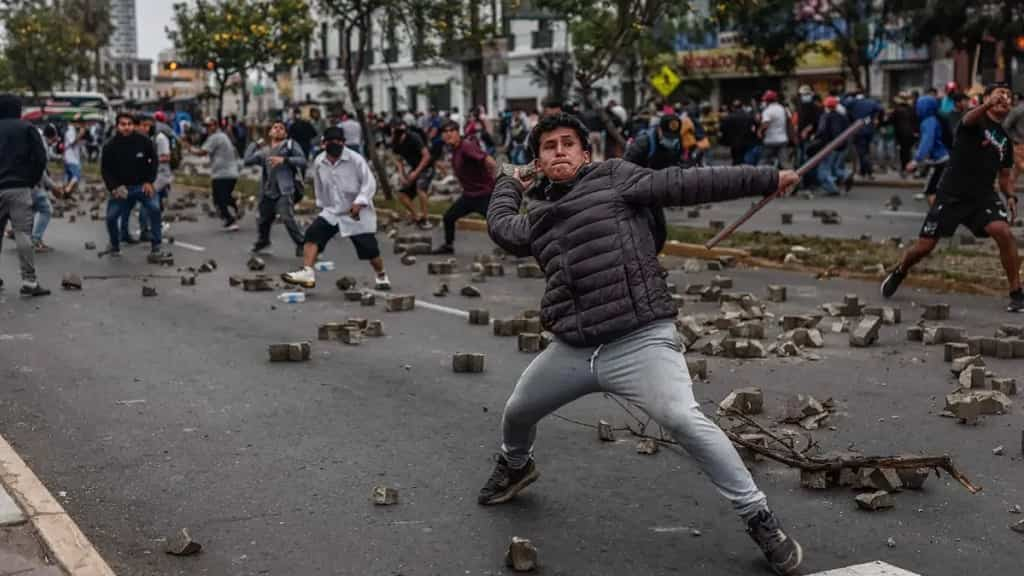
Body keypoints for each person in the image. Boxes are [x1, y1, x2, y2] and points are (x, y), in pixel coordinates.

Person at [481, 112, 803, 575]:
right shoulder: (540, 218)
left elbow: (685, 183)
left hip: (640, 341)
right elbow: (502, 228)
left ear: (584, 153)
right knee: (518, 410)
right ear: (539, 162)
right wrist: (509, 183)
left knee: (682, 418)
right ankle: (516, 466)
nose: (559, 151)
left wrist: (768, 177)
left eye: (567, 143)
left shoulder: (615, 178)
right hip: (575, 348)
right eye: (548, 147)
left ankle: (759, 518)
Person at [882, 83, 1023, 312]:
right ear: (985, 98)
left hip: (982, 196)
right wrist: (987, 104)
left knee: (1003, 231)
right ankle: (900, 270)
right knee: (924, 247)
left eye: (1008, 95)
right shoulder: (972, 122)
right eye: (999, 94)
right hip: (952, 194)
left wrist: (1010, 196)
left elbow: (1005, 176)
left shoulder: (1005, 141)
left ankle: (1016, 292)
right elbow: (968, 119)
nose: (1004, 98)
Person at [282, 127, 391, 291]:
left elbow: (369, 184)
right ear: (323, 143)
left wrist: (359, 202)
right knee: (313, 234)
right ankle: (307, 272)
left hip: (356, 212)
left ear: (344, 143)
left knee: (370, 250)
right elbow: (319, 186)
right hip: (333, 210)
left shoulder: (355, 160)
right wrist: (323, 206)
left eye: (340, 141)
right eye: (332, 142)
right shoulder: (319, 162)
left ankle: (381, 275)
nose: (336, 145)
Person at [0, 94, 50, 296]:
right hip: (20, 188)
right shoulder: (27, 128)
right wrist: (30, 180)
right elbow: (40, 158)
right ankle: (29, 282)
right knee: (22, 234)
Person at [100, 113, 166, 261]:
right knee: (111, 217)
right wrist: (114, 188)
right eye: (123, 124)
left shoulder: (143, 141)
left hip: (142, 186)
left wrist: (150, 181)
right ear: (117, 126)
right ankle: (115, 245)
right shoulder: (110, 146)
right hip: (121, 189)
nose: (127, 127)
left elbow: (154, 160)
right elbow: (106, 170)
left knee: (154, 209)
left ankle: (156, 246)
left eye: (129, 124)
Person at [431, 121, 496, 255]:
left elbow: (489, 161)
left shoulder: (466, 146)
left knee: (498, 223)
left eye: (451, 131)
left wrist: (495, 178)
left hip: (483, 194)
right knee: (449, 217)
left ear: (457, 132)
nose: (448, 134)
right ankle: (448, 246)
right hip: (469, 196)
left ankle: (521, 245)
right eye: (445, 132)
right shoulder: (454, 149)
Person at [245, 121, 307, 256]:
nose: (278, 129)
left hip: (285, 189)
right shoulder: (264, 151)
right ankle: (263, 241)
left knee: (286, 217)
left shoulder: (289, 146)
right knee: (263, 218)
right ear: (270, 132)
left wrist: (284, 160)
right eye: (275, 127)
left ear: (285, 133)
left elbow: (302, 161)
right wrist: (255, 144)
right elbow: (247, 160)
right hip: (268, 190)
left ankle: (302, 243)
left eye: (281, 128)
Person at [185, 117, 241, 230]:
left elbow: (202, 152)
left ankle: (230, 221)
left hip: (222, 174)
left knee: (218, 199)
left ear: (215, 126)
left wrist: (189, 148)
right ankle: (236, 206)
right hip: (231, 173)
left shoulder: (215, 137)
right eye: (206, 126)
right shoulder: (223, 136)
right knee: (224, 196)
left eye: (209, 126)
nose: (207, 129)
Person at [905, 95, 949, 206]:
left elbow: (927, 142)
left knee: (931, 191)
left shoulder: (928, 122)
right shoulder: (935, 119)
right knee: (936, 191)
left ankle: (936, 218)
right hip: (943, 159)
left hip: (939, 160)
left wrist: (916, 160)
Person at [390, 119, 434, 229]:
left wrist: (415, 173)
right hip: (414, 169)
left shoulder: (413, 137)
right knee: (402, 194)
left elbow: (427, 156)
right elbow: (398, 160)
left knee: (420, 188)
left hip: (426, 167)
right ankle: (417, 217)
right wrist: (402, 175)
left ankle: (426, 219)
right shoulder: (395, 143)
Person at [812, 96, 852, 197]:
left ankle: (832, 188)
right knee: (835, 168)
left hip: (829, 146)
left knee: (823, 170)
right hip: (842, 146)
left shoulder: (826, 117)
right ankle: (846, 174)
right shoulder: (842, 116)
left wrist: (815, 138)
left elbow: (822, 131)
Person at [847, 92, 883, 179]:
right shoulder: (871, 102)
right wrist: (877, 120)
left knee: (862, 153)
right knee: (865, 151)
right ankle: (863, 172)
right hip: (869, 130)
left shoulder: (853, 103)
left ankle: (869, 171)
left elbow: (846, 107)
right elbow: (881, 109)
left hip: (858, 131)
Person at [720, 100, 759, 166]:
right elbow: (755, 127)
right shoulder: (749, 116)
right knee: (745, 159)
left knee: (736, 159)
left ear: (733, 107)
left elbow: (722, 129)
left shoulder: (729, 117)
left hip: (734, 142)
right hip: (747, 141)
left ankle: (737, 172)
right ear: (742, 106)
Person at [758, 90, 789, 168]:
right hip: (783, 139)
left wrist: (759, 131)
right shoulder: (782, 108)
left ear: (767, 101)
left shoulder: (768, 111)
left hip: (770, 140)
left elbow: (766, 124)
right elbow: (788, 120)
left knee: (764, 161)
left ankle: (757, 178)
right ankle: (793, 178)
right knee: (784, 162)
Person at [891, 92, 917, 176]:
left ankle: (904, 168)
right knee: (909, 151)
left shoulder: (896, 110)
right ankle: (911, 168)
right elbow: (915, 121)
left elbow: (891, 121)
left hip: (901, 134)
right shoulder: (912, 109)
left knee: (903, 152)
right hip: (911, 134)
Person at [1004, 93, 1024, 188]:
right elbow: (1006, 126)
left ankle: (1008, 190)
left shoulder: (1017, 110)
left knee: (1016, 170)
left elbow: (1006, 126)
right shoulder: (1018, 110)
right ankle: (1008, 190)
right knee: (1018, 168)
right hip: (1020, 144)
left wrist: (1014, 138)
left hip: (1019, 143)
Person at [62, 118, 87, 197]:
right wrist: (81, 134)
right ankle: (66, 190)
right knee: (76, 176)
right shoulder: (70, 131)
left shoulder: (72, 131)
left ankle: (66, 193)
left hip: (70, 157)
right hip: (71, 158)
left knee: (69, 177)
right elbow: (72, 142)